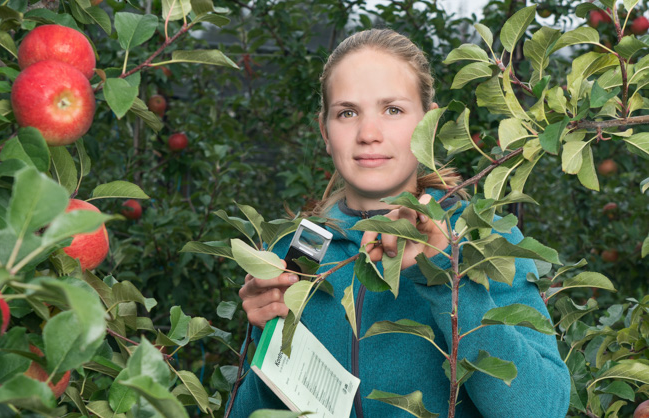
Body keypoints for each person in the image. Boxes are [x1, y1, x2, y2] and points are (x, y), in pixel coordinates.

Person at [230, 28, 570, 417]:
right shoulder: (298, 250)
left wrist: (443, 272)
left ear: (428, 123)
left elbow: (541, 410)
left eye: (392, 109)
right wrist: (267, 334)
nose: (368, 134)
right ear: (325, 132)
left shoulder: (482, 240)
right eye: (347, 112)